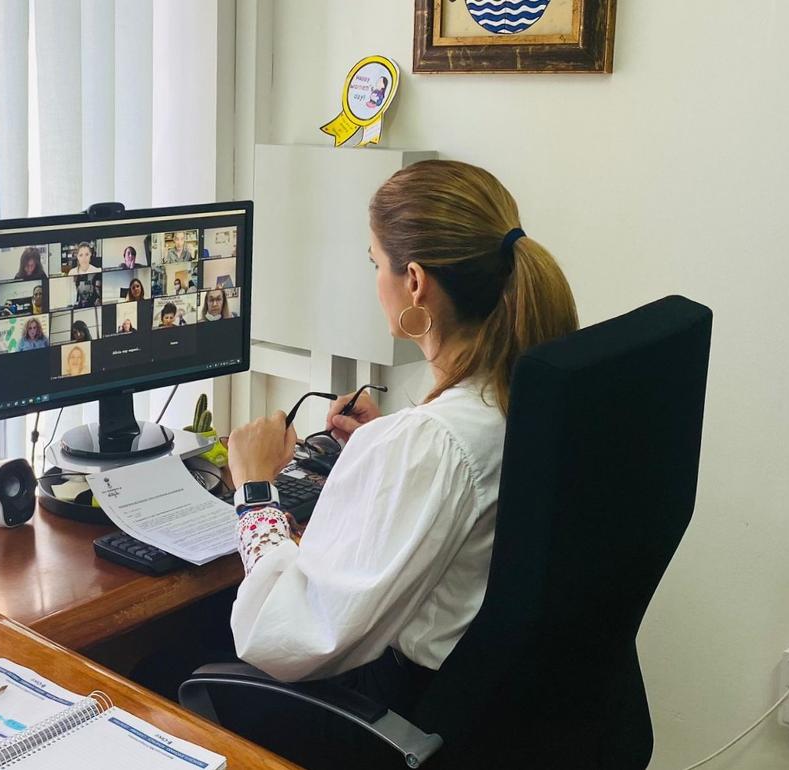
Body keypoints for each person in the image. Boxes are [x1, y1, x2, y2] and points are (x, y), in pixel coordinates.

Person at [218, 160, 578, 709]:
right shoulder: (527, 395)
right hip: (525, 716)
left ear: (414, 281)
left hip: (410, 713)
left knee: (162, 667)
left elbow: (285, 636)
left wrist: (254, 492)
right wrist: (386, 447)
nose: (375, 282)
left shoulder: (433, 444)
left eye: (375, 264)